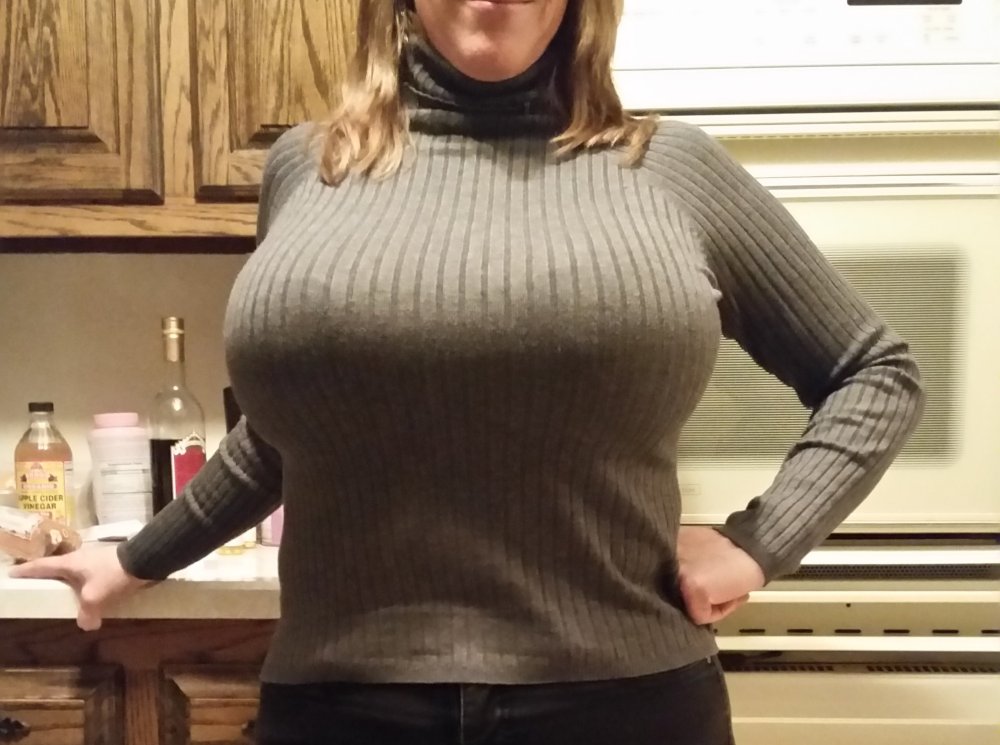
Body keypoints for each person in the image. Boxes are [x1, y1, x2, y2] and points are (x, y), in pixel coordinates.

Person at [11, 0, 925, 742]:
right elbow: (288, 433)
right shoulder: (308, 168)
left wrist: (758, 542)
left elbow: (874, 371)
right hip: (340, 705)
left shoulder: (670, 169)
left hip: (624, 705)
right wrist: (135, 557)